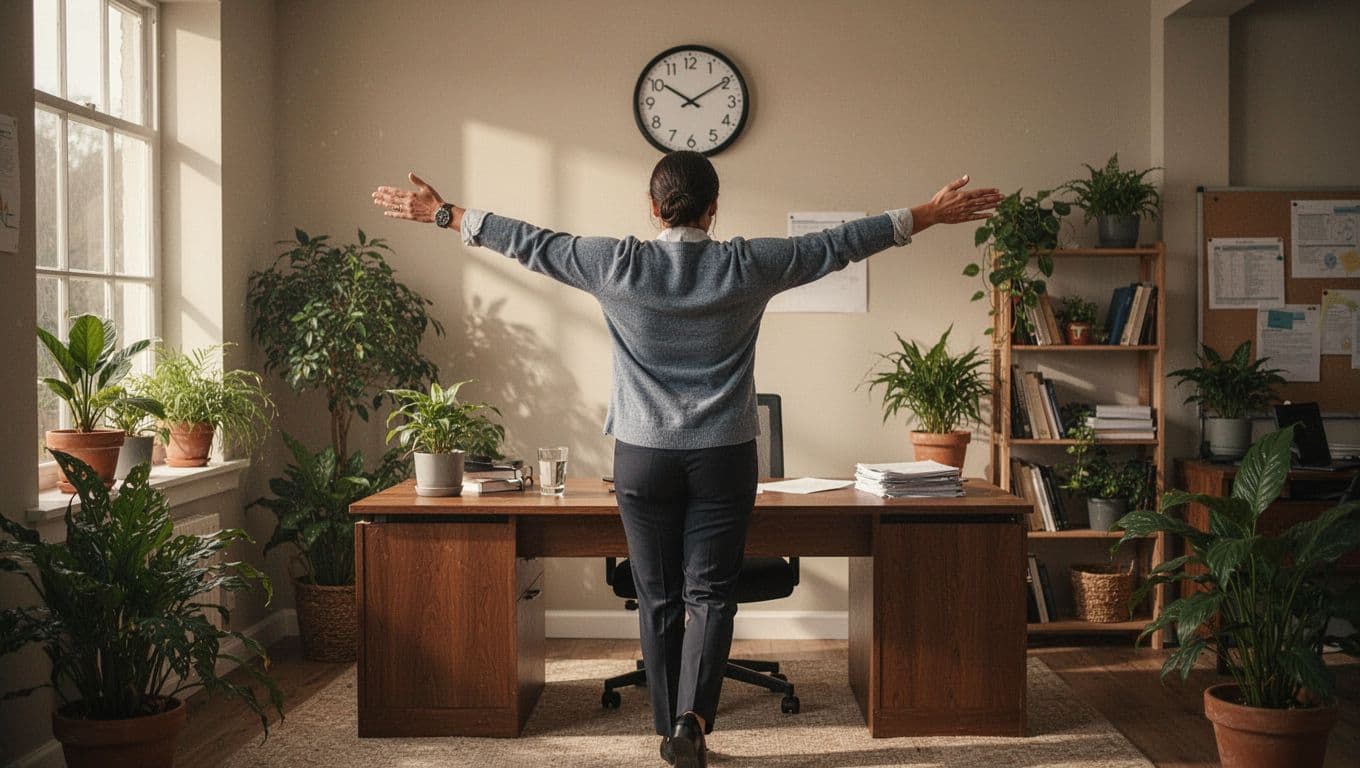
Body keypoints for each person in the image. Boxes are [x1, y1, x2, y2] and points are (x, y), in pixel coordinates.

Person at [372, 152, 999, 767]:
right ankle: (691, 721)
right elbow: (839, 244)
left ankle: (669, 728)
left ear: (653, 208)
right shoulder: (747, 264)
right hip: (724, 456)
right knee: (711, 594)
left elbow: (531, 243)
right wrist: (927, 213)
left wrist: (445, 213)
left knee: (658, 594)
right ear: (713, 209)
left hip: (643, 458)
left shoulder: (615, 264)